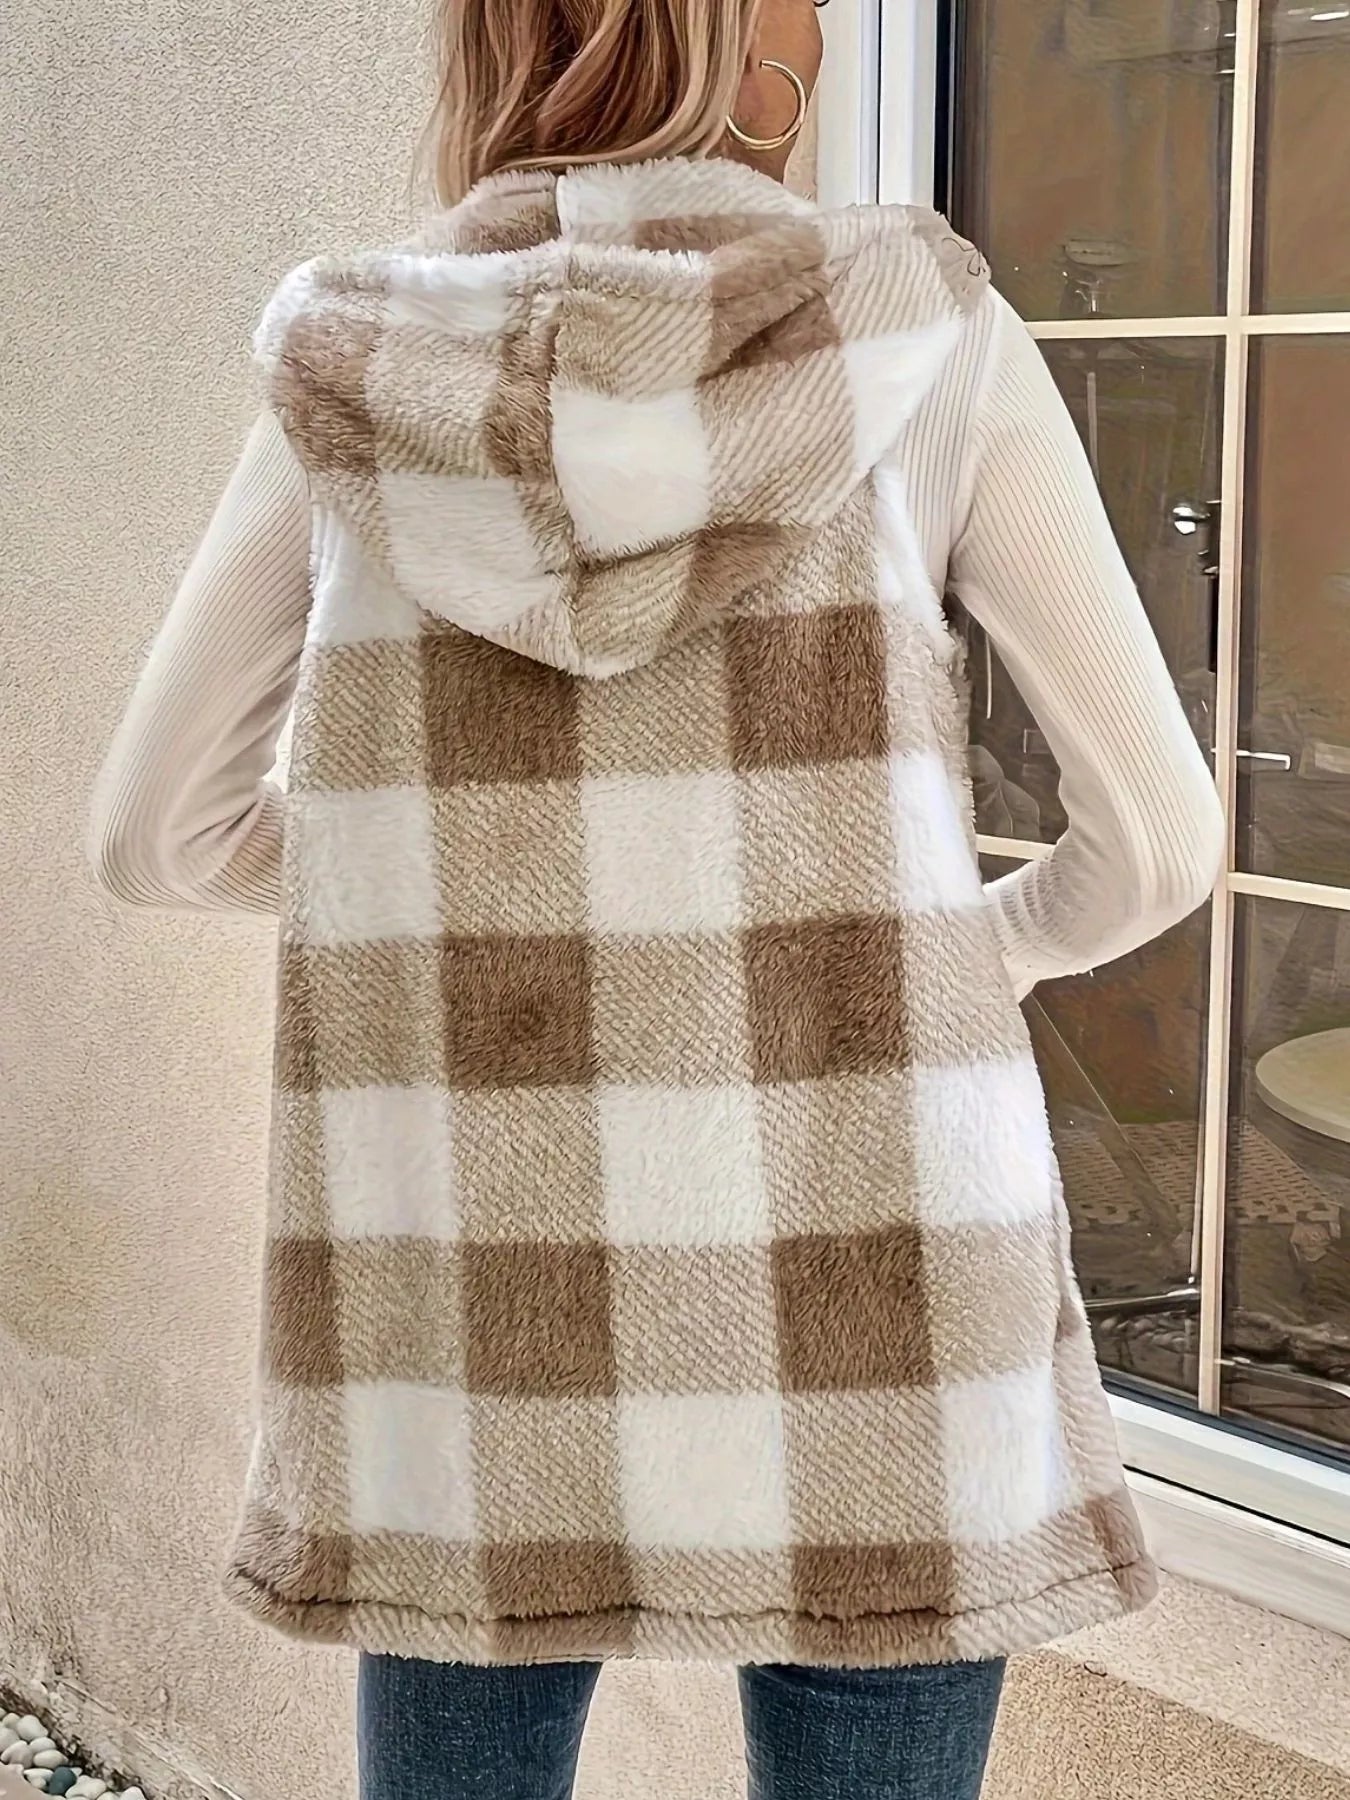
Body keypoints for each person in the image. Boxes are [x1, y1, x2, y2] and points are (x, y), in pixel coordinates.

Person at [88, 2, 1225, 1795]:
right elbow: (1154, 841)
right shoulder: (919, 335)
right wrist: (967, 956)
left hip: (474, 1277)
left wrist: (476, 874)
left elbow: (158, 834)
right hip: (882, 1270)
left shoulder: (352, 370)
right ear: (757, 53)